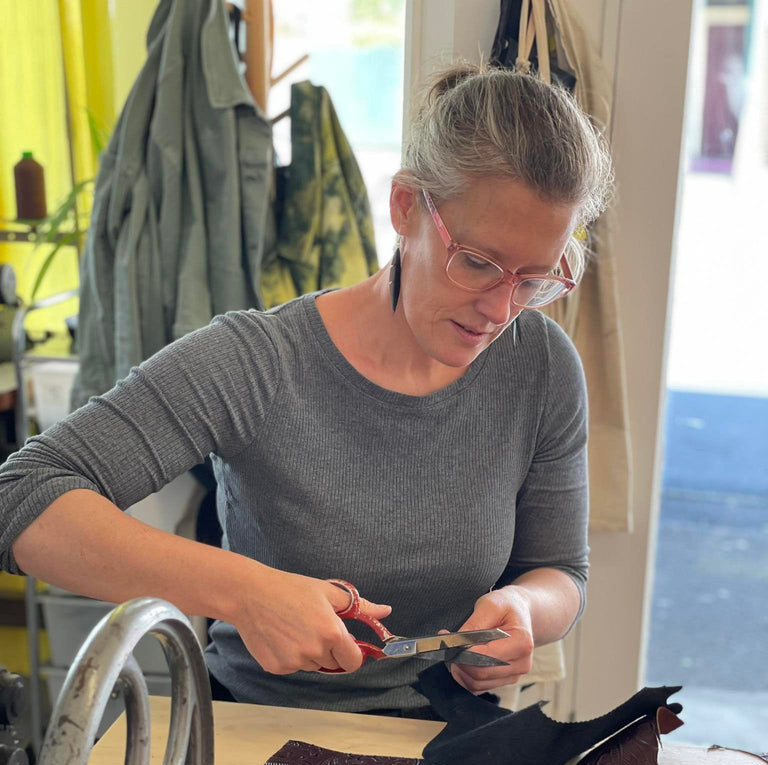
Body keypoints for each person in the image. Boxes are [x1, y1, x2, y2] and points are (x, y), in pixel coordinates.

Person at [0, 62, 613, 717]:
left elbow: (559, 572)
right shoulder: (259, 361)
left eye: (534, 280)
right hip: (261, 724)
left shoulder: (541, 366)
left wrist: (525, 607)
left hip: (446, 735)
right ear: (406, 207)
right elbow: (23, 497)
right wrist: (244, 591)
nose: (501, 309)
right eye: (478, 264)